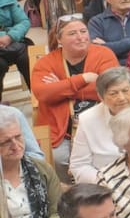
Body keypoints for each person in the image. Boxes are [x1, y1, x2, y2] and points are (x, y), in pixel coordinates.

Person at [33, 15, 119, 177]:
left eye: (83, 31)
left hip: (102, 122)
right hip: (62, 130)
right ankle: (73, 196)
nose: (80, 37)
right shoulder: (45, 63)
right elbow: (43, 94)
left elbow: (111, 87)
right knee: (60, 159)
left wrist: (62, 86)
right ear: (59, 39)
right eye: (72, 33)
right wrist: (83, 79)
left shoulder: (104, 54)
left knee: (108, 154)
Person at [0, 104, 62, 218]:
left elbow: (61, 211)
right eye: (6, 142)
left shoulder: (41, 169)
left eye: (18, 137)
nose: (16, 146)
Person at [0, 0, 30, 102]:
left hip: (14, 42)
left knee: (28, 59)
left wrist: (9, 37)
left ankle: (41, 101)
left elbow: (24, 21)